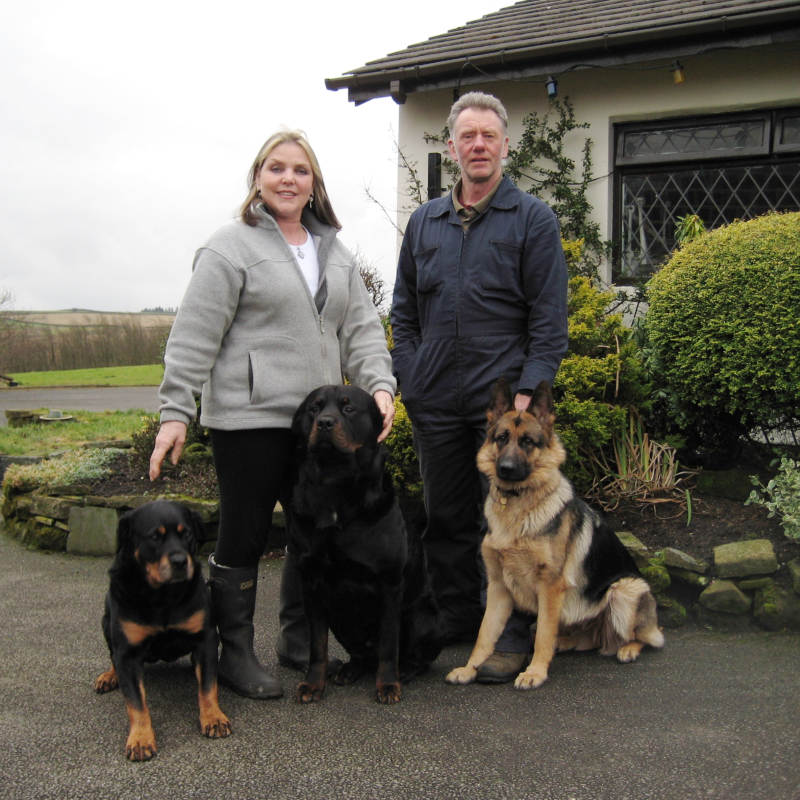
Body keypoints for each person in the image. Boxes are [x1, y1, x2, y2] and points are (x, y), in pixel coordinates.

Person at [149, 130, 396, 699]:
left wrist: (379, 385)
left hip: (320, 425)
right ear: (258, 177)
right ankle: (233, 653)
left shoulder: (334, 250)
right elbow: (193, 336)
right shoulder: (229, 248)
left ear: (315, 184)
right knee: (246, 532)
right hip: (249, 419)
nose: (289, 179)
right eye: (276, 168)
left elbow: (360, 328)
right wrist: (175, 412)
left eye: (301, 170)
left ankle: (296, 644)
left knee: (311, 532)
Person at [390, 91, 568, 683]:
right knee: (446, 519)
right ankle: (461, 624)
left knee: (516, 526)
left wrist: (528, 391)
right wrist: (411, 378)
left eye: (488, 135)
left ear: (505, 145)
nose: (478, 145)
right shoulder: (425, 223)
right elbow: (405, 314)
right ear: (452, 147)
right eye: (467, 136)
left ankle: (515, 637)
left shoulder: (532, 219)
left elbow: (548, 318)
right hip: (436, 397)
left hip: (504, 409)